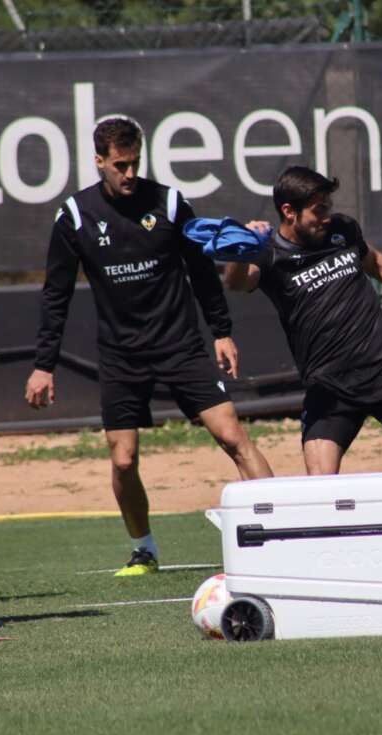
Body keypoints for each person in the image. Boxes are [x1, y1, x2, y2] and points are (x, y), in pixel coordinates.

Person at [25, 118, 272, 577]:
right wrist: (44, 365)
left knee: (233, 436)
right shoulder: (76, 216)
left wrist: (221, 330)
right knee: (123, 459)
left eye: (135, 162)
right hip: (121, 355)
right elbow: (55, 294)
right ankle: (144, 549)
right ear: (99, 162)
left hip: (180, 344)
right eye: (119, 165)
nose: (129, 172)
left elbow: (202, 272)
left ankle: (280, 530)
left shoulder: (171, 204)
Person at [224, 166, 382, 474]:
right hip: (328, 383)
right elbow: (236, 282)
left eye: (328, 207)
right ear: (288, 211)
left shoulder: (341, 230)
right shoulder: (268, 255)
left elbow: (375, 262)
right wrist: (240, 250)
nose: (326, 216)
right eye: (318, 210)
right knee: (320, 483)